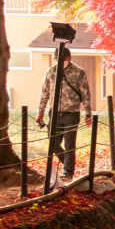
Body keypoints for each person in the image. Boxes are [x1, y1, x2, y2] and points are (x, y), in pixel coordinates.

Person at [36, 47, 92, 181]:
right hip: (54, 113)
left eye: (63, 60)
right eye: (57, 60)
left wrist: (88, 113)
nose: (60, 62)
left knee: (69, 144)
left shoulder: (79, 72)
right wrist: (40, 112)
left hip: (71, 114)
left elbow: (85, 94)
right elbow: (44, 93)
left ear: (69, 58)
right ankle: (68, 162)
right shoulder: (50, 71)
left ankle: (68, 172)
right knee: (53, 143)